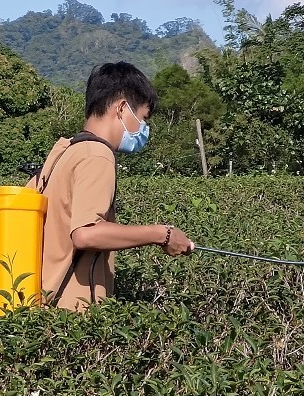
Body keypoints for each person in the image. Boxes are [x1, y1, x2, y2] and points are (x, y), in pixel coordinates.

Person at [26, 62, 194, 311]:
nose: (143, 129)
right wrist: (163, 234)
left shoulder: (65, 151)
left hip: (38, 306)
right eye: (143, 119)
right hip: (69, 313)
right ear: (123, 108)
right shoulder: (97, 155)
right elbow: (86, 233)